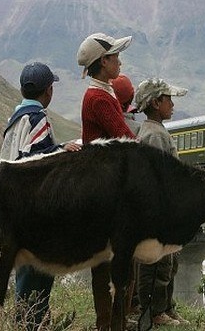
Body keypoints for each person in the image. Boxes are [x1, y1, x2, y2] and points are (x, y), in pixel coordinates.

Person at [0, 61, 81, 330]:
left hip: (13, 206)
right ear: (48, 90)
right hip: (33, 210)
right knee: (39, 272)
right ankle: (31, 322)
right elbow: (35, 161)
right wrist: (61, 151)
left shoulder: (14, 120)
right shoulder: (38, 119)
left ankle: (25, 320)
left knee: (24, 269)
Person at [77, 32, 136, 331]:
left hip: (107, 183)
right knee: (109, 264)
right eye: (115, 57)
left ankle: (116, 323)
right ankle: (110, 324)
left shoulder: (103, 92)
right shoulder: (99, 98)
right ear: (104, 62)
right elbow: (124, 137)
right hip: (105, 188)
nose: (119, 61)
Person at [134, 78, 190, 327]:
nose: (172, 104)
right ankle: (154, 311)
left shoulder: (154, 131)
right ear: (156, 103)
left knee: (170, 262)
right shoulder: (154, 136)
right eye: (168, 99)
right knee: (157, 265)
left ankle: (166, 307)